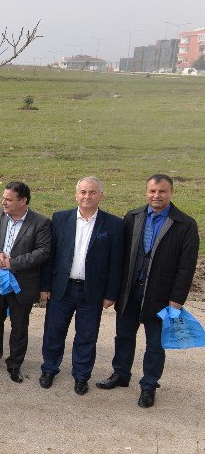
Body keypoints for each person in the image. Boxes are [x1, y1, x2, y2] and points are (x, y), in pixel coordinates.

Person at [98, 174, 199, 408]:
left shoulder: (185, 224)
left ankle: (149, 385)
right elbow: (120, 257)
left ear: (171, 193)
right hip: (129, 292)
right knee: (123, 336)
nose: (156, 196)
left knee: (155, 344)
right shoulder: (133, 217)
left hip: (161, 297)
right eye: (152, 191)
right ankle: (121, 374)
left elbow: (187, 266)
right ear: (146, 192)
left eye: (162, 191)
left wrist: (176, 300)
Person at [38, 177, 123, 395]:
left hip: (92, 291)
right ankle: (49, 368)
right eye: (83, 192)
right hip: (62, 288)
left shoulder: (113, 224)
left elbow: (116, 262)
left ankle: (81, 375)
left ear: (101, 196)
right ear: (76, 195)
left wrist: (111, 293)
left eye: (92, 192)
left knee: (86, 336)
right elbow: (50, 256)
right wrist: (45, 286)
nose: (87, 196)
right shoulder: (60, 218)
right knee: (54, 331)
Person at [0, 181, 51, 383]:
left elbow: (43, 251)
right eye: (3, 198)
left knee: (19, 326)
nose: (3, 202)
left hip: (22, 283)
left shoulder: (40, 222)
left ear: (23, 201)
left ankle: (15, 364)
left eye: (8, 199)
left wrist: (13, 263)